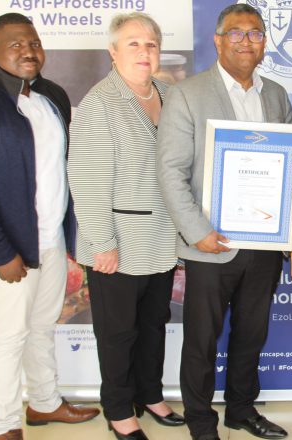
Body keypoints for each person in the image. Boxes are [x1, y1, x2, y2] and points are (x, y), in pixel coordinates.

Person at [0, 12, 100, 440]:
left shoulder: (51, 95)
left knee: (42, 327)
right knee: (8, 337)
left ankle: (45, 403)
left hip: (49, 240)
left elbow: (60, 171)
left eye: (33, 43)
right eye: (15, 44)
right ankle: (4, 425)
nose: (27, 51)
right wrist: (0, 253)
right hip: (7, 249)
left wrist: (67, 238)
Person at [157, 4, 292, 440]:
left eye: (255, 33)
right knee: (201, 341)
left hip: (263, 243)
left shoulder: (274, 95)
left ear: (264, 42)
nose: (246, 41)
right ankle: (201, 421)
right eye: (236, 33)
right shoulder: (188, 94)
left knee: (252, 334)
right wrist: (198, 233)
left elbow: (287, 159)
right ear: (218, 40)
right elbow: (170, 171)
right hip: (210, 242)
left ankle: (240, 409)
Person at [67, 12, 185, 440]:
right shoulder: (101, 103)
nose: (143, 51)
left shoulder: (170, 94)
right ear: (113, 52)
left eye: (150, 44)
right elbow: (85, 178)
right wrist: (103, 243)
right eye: (132, 44)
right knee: (118, 333)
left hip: (161, 241)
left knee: (154, 323)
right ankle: (119, 409)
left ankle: (150, 394)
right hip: (116, 243)